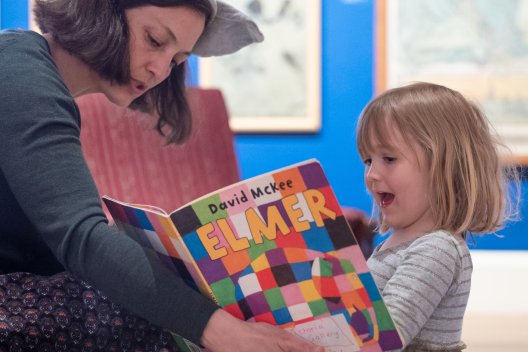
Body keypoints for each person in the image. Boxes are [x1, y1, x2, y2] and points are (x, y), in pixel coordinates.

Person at [0, 0, 324, 351]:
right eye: (154, 40)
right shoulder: (18, 70)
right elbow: (82, 236)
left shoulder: (35, 76)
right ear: (100, 11)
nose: (160, 70)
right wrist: (220, 330)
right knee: (140, 317)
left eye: (177, 60)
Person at [356, 82, 519, 351]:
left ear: (443, 166)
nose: (371, 174)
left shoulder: (437, 248)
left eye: (389, 158)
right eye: (368, 161)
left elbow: (382, 341)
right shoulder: (397, 243)